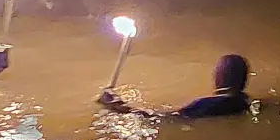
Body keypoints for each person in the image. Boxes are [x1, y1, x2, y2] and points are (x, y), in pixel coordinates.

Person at [98, 54, 253, 119]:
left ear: (218, 77)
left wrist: (116, 104)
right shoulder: (246, 102)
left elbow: (162, 119)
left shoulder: (206, 104)